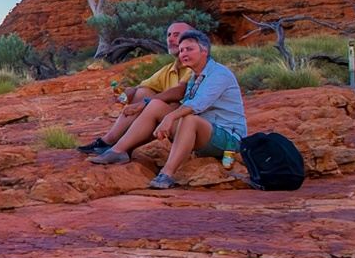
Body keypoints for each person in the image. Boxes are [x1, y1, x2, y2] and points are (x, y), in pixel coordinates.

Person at [88, 30, 247, 189]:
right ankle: (118, 151)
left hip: (228, 139)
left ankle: (167, 174)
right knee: (156, 106)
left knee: (189, 119)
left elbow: (196, 105)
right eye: (182, 49)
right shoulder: (195, 76)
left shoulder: (219, 74)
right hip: (203, 132)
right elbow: (181, 103)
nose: (183, 53)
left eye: (189, 49)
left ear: (204, 51)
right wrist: (146, 105)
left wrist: (169, 118)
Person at [76, 21, 196, 155]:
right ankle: (112, 142)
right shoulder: (169, 69)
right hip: (172, 122)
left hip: (192, 127)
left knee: (156, 104)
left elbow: (180, 92)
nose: (170, 39)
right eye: (168, 35)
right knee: (143, 92)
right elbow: (141, 87)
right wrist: (125, 95)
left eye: (177, 35)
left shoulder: (197, 66)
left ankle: (116, 145)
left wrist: (144, 103)